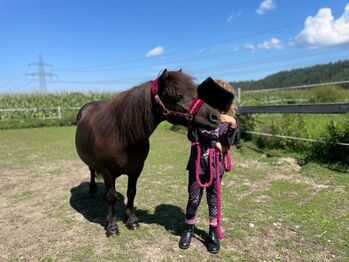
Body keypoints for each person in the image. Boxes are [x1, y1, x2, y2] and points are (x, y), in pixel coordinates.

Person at [179, 80, 237, 254]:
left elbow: (228, 143)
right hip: (197, 166)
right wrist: (214, 142)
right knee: (194, 198)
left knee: (213, 199)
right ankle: (188, 228)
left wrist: (233, 125)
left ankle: (213, 232)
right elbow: (193, 134)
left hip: (215, 168)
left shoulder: (225, 121)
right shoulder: (200, 118)